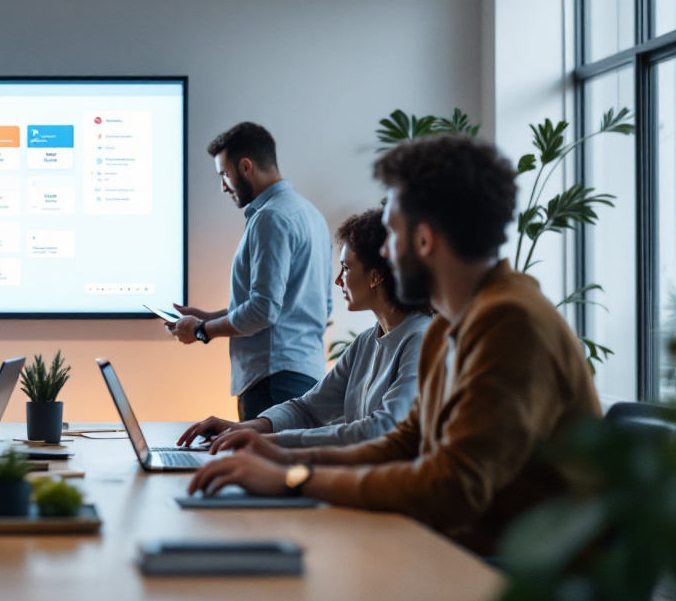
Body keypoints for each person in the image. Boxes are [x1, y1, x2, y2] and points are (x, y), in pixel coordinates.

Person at [187, 135, 602, 556]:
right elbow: (403, 444)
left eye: (392, 234)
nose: (384, 251)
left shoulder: (511, 322)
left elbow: (451, 486)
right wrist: (276, 456)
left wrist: (293, 477)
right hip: (460, 550)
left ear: (424, 240)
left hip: (518, 575)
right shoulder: (451, 328)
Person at [178, 207, 431, 451]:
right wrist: (243, 428)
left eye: (346, 267)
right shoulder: (366, 342)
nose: (338, 280)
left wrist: (272, 441)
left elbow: (382, 429)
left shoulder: (421, 340)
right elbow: (306, 410)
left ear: (376, 277)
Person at [167, 122, 331, 420]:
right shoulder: (311, 215)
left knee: (262, 466)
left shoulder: (271, 218)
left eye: (224, 175)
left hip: (272, 383)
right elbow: (306, 306)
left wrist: (201, 331)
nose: (223, 187)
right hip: (303, 376)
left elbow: (264, 311)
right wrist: (206, 317)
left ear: (245, 167)